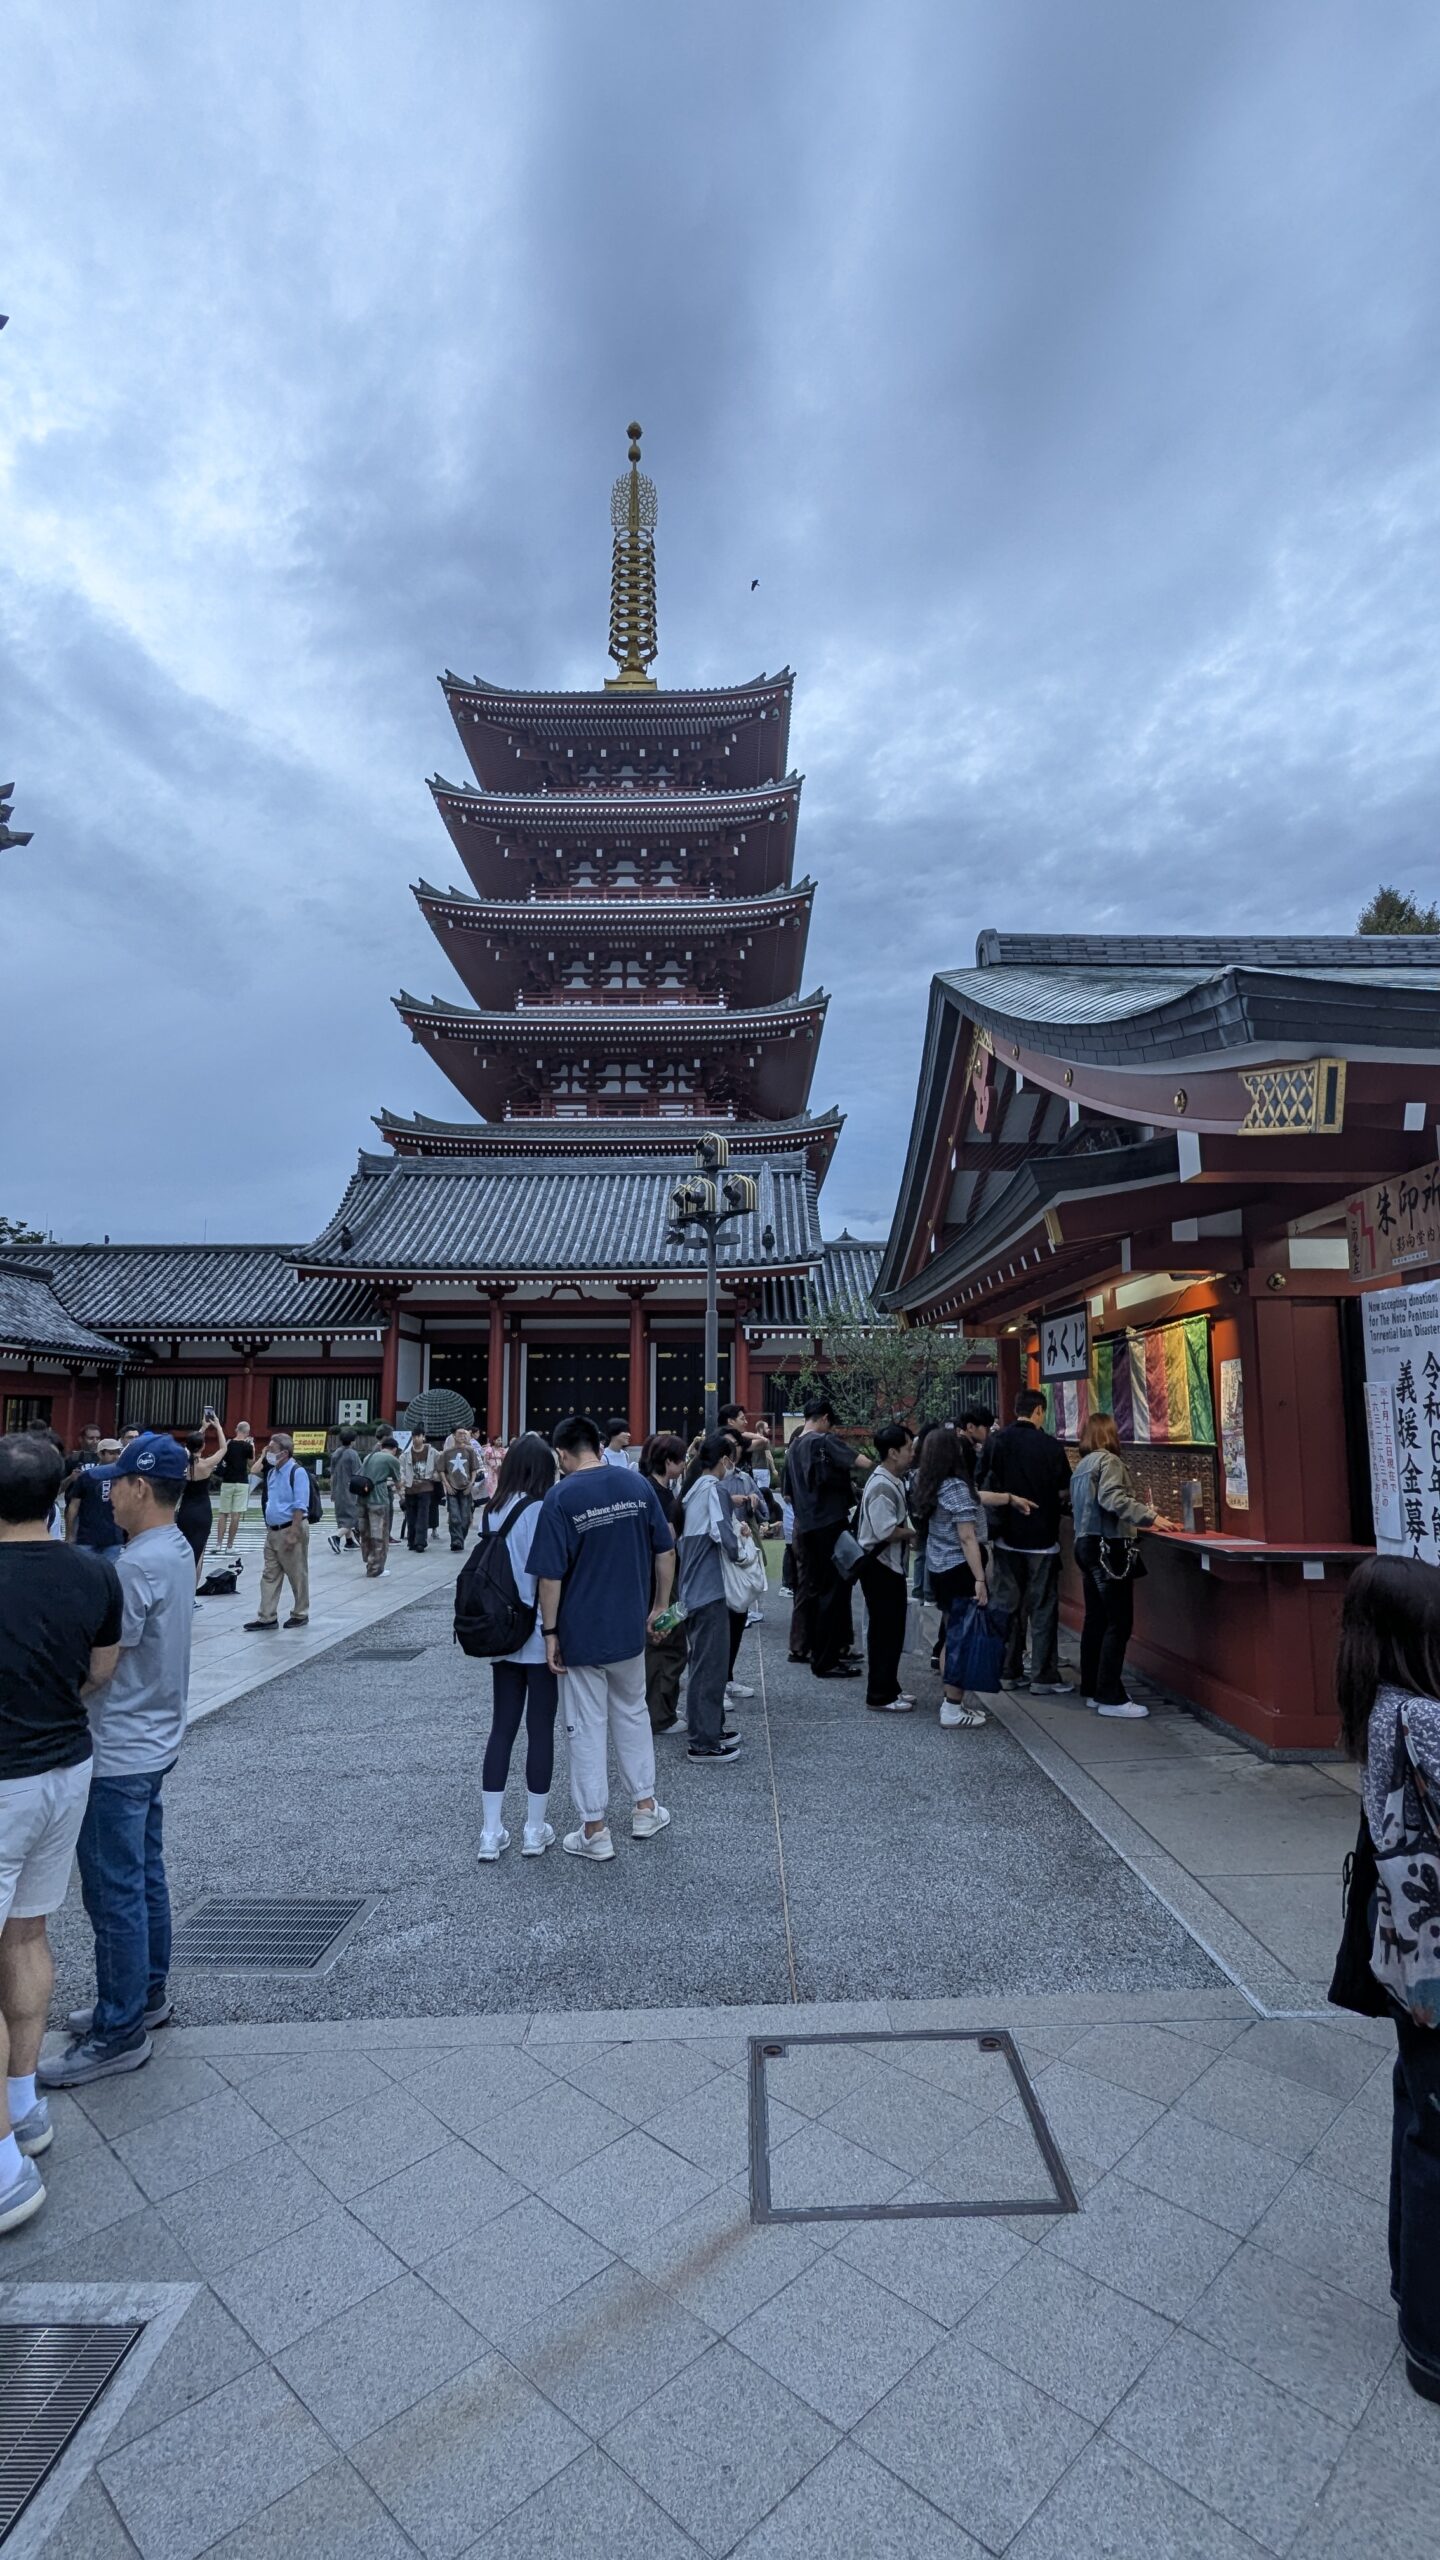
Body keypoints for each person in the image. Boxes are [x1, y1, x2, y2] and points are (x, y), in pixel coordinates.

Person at [39, 1431, 193, 2093]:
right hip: (154, 1734)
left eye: (118, 1482)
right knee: (143, 1874)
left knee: (114, 1891)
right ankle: (145, 1994)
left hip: (119, 1744)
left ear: (136, 1487)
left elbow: (105, 1664)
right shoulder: (176, 1548)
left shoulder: (136, 1565)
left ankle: (118, 2025)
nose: (111, 1493)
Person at [0, 1434, 122, 2230]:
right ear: (61, 1496)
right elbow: (101, 1673)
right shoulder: (94, 1572)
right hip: (64, 1765)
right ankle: (24, 2102)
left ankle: (4, 2162)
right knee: (28, 1935)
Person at [1335, 1556, 1440, 2406]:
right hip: (1436, 1951)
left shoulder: (1378, 1707)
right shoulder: (1424, 1719)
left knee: (1422, 2119)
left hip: (1411, 1955)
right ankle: (1432, 2339)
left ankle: (1419, 2303)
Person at [530, 1413, 675, 1860]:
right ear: (597, 1443)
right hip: (629, 1626)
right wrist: (660, 1606)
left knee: (585, 1726)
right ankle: (645, 1807)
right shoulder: (637, 1487)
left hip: (582, 1632)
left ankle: (594, 1829)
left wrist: (550, 1631)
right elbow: (666, 1548)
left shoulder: (560, 1497)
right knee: (632, 1712)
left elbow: (549, 1577)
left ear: (562, 1453)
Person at [475, 1436, 560, 1859]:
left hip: (500, 1631)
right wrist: (553, 1632)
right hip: (538, 1629)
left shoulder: (489, 1512)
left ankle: (490, 1832)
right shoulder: (542, 1511)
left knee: (501, 1729)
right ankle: (533, 1827)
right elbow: (547, 1577)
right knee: (540, 1729)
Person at [1070, 1416, 1171, 1717]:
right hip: (1108, 1546)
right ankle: (1110, 1695)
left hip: (1084, 1544)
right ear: (1110, 1434)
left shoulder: (1081, 1466)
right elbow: (1112, 1498)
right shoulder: (1109, 1461)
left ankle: (1092, 1687)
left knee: (1096, 1620)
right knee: (1119, 1622)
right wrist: (1150, 1516)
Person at [982, 1387, 1075, 1694]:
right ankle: (1043, 1676)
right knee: (1043, 1607)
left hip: (1006, 1536)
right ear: (1038, 1411)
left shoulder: (997, 1441)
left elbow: (981, 1481)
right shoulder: (1050, 1446)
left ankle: (1007, 1671)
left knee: (1008, 1606)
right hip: (1042, 1538)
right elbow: (1064, 1489)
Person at [912, 1426, 996, 1729]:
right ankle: (952, 1705)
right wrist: (980, 1579)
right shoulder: (956, 1487)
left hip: (939, 1568)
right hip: (960, 1569)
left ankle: (953, 1701)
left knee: (951, 1633)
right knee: (960, 1636)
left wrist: (1009, 1498)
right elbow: (967, 1537)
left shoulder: (927, 1483)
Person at [784, 1396, 860, 1678]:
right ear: (825, 1418)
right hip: (826, 1523)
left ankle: (815, 1649)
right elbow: (859, 1461)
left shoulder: (793, 1449)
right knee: (832, 1588)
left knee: (812, 1589)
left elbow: (788, 1493)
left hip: (805, 1525)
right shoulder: (821, 1442)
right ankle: (826, 1654)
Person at [678, 1436, 743, 1762]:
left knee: (704, 1665)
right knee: (709, 1668)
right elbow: (722, 1534)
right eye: (732, 1459)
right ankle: (703, 1741)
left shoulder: (693, 1489)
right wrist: (742, 1552)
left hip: (693, 1591)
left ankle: (711, 1728)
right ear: (724, 1460)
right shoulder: (712, 1489)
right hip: (709, 1591)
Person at [855, 1423, 917, 1711]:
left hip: (888, 1565)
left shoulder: (890, 1479)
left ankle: (890, 1686)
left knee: (891, 1630)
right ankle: (880, 1694)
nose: (912, 1453)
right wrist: (912, 1533)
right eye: (908, 1448)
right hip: (880, 1566)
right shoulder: (882, 1484)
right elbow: (884, 1530)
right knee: (884, 1632)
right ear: (892, 1452)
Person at [640, 1434, 688, 1733]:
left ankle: (655, 1707)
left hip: (643, 1576)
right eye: (681, 1460)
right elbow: (667, 1543)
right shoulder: (663, 1497)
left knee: (652, 1648)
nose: (684, 1466)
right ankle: (661, 1714)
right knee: (668, 1645)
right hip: (663, 1579)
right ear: (668, 1462)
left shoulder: (640, 1487)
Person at [243, 1431, 311, 1629]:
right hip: (273, 1530)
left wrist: (293, 1533)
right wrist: (262, 1455)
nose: (268, 1454)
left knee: (297, 1573)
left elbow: (300, 1504)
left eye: (271, 1450)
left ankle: (300, 1613)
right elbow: (254, 1476)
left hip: (291, 1527)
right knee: (269, 1574)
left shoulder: (296, 1472)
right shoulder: (272, 1472)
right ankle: (267, 1616)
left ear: (285, 1453)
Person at [177, 1413, 227, 1589]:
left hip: (185, 1509)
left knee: (185, 1550)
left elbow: (190, 1446)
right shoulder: (205, 1465)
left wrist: (202, 1429)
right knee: (199, 1552)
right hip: (202, 1510)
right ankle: (192, 1592)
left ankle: (181, 1589)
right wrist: (218, 1427)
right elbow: (223, 1449)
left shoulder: (183, 1462)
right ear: (203, 1446)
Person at [65, 1438, 123, 1552]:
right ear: (100, 1454)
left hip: (114, 1539)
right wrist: (70, 1534)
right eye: (111, 1453)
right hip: (87, 1538)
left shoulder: (123, 1477)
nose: (116, 1457)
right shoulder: (86, 1476)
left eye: (118, 1453)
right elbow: (73, 1506)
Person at [356, 1434, 402, 1578]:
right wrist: (401, 1494)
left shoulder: (368, 1457)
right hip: (379, 1499)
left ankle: (368, 1561)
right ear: (394, 1449)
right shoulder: (392, 1460)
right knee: (379, 1535)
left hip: (362, 1498)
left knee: (365, 1533)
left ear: (382, 1447)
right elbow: (398, 1482)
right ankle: (376, 1568)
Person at [212, 1419, 255, 1555]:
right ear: (247, 1432)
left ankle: (218, 1544)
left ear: (237, 1429)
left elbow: (221, 1457)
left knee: (223, 1513)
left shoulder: (228, 1444)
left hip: (227, 1481)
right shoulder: (248, 1446)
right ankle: (230, 1545)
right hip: (242, 1481)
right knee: (236, 1514)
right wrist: (252, 1446)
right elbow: (251, 1465)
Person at [400, 1430, 442, 1552]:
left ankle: (420, 1542)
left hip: (426, 1486)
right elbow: (401, 1469)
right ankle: (411, 1541)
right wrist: (402, 1484)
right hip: (410, 1487)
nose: (416, 1438)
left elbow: (440, 1467)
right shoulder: (406, 1454)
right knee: (411, 1516)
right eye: (414, 1436)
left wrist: (435, 1475)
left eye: (418, 1436)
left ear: (423, 1437)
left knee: (423, 1515)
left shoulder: (432, 1452)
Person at [441, 1427, 481, 1552]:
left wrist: (471, 1484)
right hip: (452, 1487)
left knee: (465, 1517)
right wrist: (447, 1484)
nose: (463, 1436)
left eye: (465, 1433)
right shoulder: (447, 1452)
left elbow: (474, 1469)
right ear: (453, 1435)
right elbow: (442, 1470)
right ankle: (456, 1541)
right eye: (460, 1433)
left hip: (466, 1487)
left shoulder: (470, 1451)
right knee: (454, 1517)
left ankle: (460, 1538)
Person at [327, 1427, 363, 1556]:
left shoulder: (336, 1453)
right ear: (353, 1440)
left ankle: (349, 1541)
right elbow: (358, 1474)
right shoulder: (352, 1454)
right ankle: (336, 1537)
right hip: (350, 1489)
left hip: (338, 1488)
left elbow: (332, 1475)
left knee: (343, 1516)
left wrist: (332, 1491)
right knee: (352, 1517)